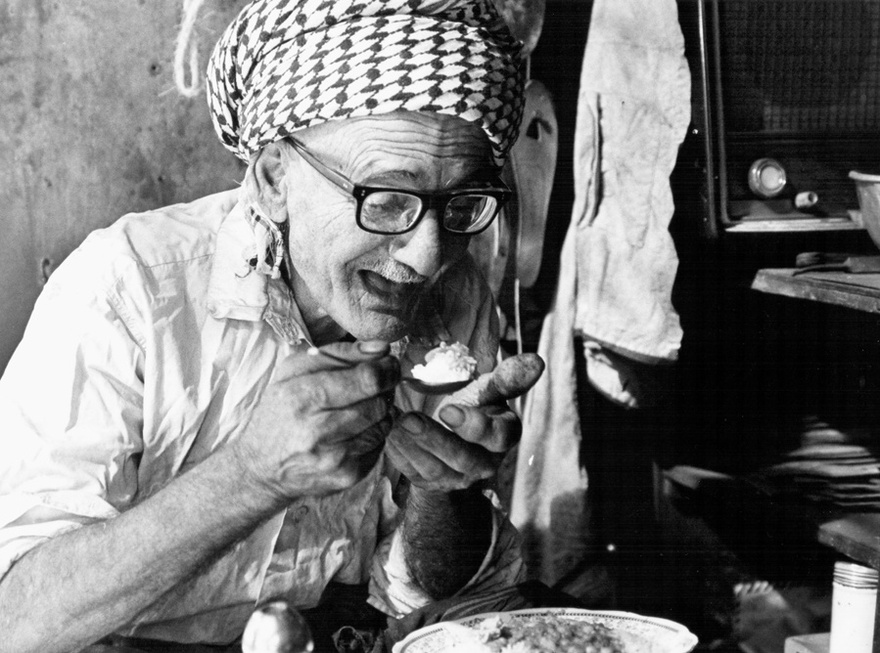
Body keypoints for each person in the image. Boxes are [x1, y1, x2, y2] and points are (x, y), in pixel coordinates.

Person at [0, 1, 544, 651]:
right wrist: (251, 474)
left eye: (460, 202)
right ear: (273, 180)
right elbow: (16, 617)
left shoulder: (454, 307)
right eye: (388, 199)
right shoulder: (130, 289)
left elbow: (423, 599)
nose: (428, 254)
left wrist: (442, 494)